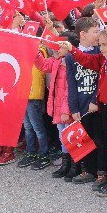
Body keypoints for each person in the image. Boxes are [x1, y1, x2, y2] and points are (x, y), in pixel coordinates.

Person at [63, 28, 107, 197]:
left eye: (104, 44)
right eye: (100, 44)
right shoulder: (104, 60)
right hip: (105, 108)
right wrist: (72, 49)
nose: (100, 48)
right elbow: (87, 59)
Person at [34, 32, 76, 178]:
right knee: (62, 135)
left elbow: (69, 90)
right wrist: (34, 52)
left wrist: (66, 110)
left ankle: (74, 165)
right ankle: (66, 164)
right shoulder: (57, 61)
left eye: (61, 46)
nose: (57, 49)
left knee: (71, 136)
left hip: (67, 108)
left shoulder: (71, 63)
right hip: (58, 106)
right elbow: (43, 65)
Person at [65, 16, 102, 184]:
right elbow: (71, 83)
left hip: (96, 104)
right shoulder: (70, 57)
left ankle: (101, 170)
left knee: (99, 138)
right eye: (95, 32)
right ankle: (88, 170)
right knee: (85, 139)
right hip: (81, 103)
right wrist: (73, 108)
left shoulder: (99, 53)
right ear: (83, 34)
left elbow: (102, 80)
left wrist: (95, 99)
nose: (98, 35)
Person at [17, 44, 51, 171]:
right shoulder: (25, 53)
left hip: (33, 95)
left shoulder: (39, 52)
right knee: (27, 127)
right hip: (24, 95)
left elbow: (39, 72)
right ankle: (31, 152)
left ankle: (44, 154)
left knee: (38, 128)